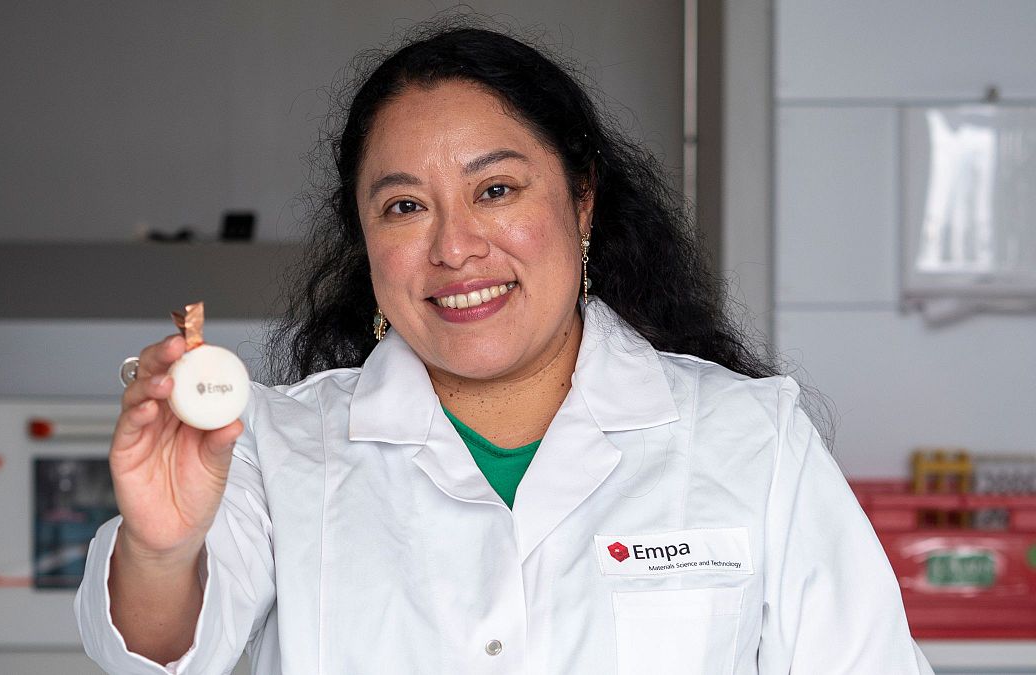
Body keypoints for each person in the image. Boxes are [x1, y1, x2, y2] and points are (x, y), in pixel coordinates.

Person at [76, 23, 934, 674]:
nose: (455, 248)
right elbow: (159, 656)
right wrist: (161, 547)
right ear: (366, 239)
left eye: (495, 190)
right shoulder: (274, 447)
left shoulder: (753, 440)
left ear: (583, 199)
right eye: (405, 207)